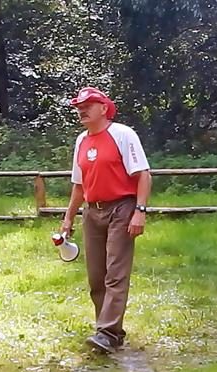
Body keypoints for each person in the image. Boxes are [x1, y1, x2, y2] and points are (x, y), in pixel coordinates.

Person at [61, 87, 152, 354]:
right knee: (96, 276)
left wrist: (140, 211)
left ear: (104, 108)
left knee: (115, 273)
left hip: (121, 208)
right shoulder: (81, 141)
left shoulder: (122, 134)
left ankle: (107, 333)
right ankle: (110, 331)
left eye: (88, 105)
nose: (82, 110)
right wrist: (68, 219)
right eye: (79, 106)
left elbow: (144, 175)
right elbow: (79, 185)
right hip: (92, 211)